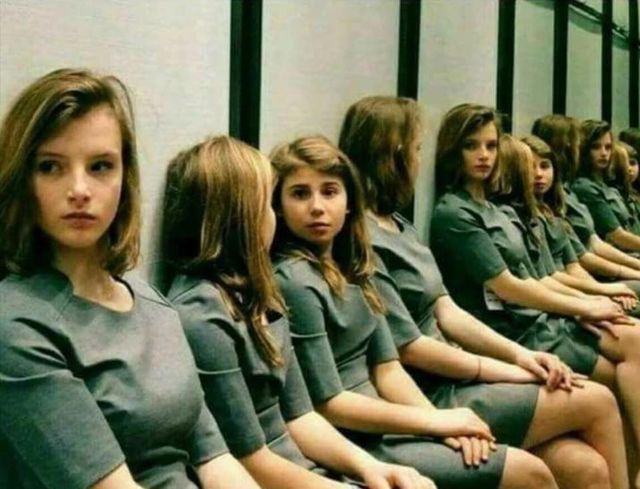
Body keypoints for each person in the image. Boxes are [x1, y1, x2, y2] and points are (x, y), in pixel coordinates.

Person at [338, 95, 629, 489]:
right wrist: (514, 369)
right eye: (415, 149)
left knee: (586, 467)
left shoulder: (400, 226)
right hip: (431, 389)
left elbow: (448, 310)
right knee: (598, 400)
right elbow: (410, 348)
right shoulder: (366, 240)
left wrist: (522, 358)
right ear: (391, 154)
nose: (419, 161)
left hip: (462, 372)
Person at [0, 69, 258, 489]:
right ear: (22, 180)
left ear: (125, 176)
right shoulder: (15, 323)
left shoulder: (153, 303)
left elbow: (214, 457)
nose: (79, 189)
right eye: (50, 167)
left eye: (100, 166)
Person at [272, 135, 563, 489]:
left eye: (330, 192)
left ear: (349, 202)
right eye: (300, 194)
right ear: (279, 207)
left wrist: (443, 425)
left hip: (390, 415)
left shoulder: (355, 265)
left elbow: (388, 368)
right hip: (353, 440)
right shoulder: (294, 280)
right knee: (530, 473)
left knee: (573, 459)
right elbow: (328, 404)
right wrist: (435, 423)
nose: (317, 207)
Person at [162, 135, 434, 489]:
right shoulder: (201, 315)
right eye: (265, 204)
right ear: (237, 216)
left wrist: (371, 469)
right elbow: (251, 460)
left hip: (308, 466)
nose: (273, 217)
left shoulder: (257, 290)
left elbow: (301, 416)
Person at [431, 103, 639, 488]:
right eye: (471, 146)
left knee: (624, 372)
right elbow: (508, 286)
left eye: (491, 146)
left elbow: (540, 277)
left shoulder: (496, 210)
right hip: (516, 333)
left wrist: (585, 306)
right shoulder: (454, 212)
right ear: (452, 151)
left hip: (540, 324)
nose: (483, 155)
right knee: (618, 374)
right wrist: (584, 305)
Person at [532, 115, 640, 284]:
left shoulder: (564, 194)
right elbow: (608, 241)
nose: (604, 153)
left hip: (582, 279)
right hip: (578, 280)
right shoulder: (579, 189)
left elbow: (587, 248)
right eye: (577, 144)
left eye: (608, 147)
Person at [572, 120, 640, 251]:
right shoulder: (584, 187)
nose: (604, 153)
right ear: (584, 149)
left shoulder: (608, 186)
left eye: (608, 147)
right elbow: (617, 236)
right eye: (595, 147)